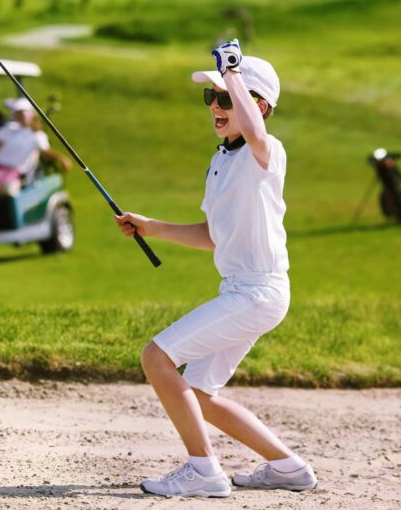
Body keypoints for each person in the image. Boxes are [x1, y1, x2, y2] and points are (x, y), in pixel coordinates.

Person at [115, 40, 316, 498]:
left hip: (257, 293)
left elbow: (259, 137)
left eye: (224, 98)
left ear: (258, 106)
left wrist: (235, 73)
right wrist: (152, 227)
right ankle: (289, 467)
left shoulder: (267, 153)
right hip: (242, 293)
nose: (215, 107)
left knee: (156, 357)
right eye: (211, 98)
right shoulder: (220, 161)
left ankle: (203, 471)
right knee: (199, 392)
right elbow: (212, 235)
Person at [0, 97, 71, 201]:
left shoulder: (37, 135)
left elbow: (46, 153)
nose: (23, 115)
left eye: (25, 112)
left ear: (32, 113)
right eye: (19, 112)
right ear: (15, 115)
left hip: (13, 172)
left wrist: (62, 159)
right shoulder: (9, 130)